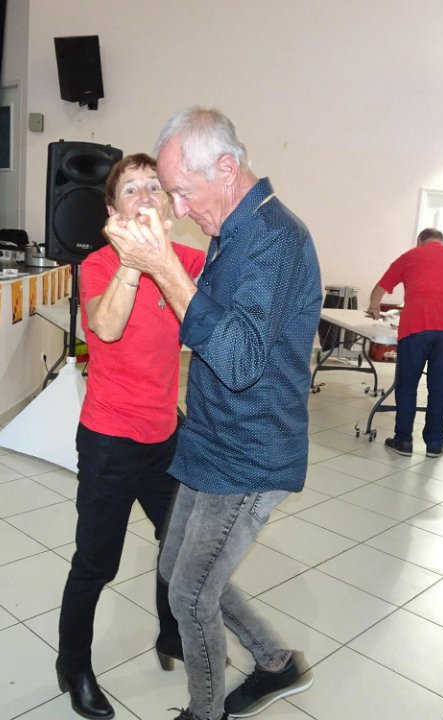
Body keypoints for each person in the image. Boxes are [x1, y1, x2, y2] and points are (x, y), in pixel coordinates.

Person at [104, 107, 320, 720]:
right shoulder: (233, 228)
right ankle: (276, 662)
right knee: (177, 570)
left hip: (250, 452)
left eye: (180, 191)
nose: (176, 208)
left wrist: (164, 267)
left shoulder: (275, 240)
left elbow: (240, 360)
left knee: (190, 596)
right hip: (211, 439)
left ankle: (206, 714)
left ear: (226, 169)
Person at [55, 154, 206, 720]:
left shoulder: (187, 260)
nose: (144, 196)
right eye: (131, 189)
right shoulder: (97, 265)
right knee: (96, 564)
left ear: (168, 203)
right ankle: (73, 665)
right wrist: (134, 261)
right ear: (113, 211)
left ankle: (171, 633)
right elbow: (107, 327)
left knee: (180, 546)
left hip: (167, 436)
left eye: (153, 187)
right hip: (110, 441)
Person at [365, 228, 443, 458]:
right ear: (442, 241)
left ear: (420, 241)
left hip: (416, 328)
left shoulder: (410, 256)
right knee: (440, 387)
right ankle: (435, 444)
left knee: (407, 384)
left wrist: (374, 308)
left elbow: (380, 288)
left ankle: (403, 441)